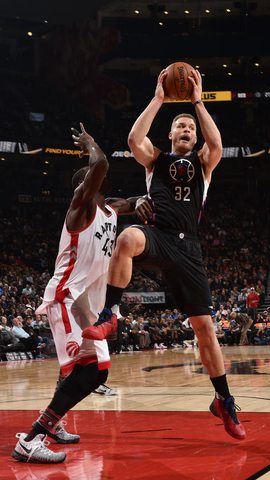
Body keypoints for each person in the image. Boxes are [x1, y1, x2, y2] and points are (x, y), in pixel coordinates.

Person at [82, 69, 246, 440]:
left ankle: (223, 400)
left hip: (189, 248)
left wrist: (198, 102)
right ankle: (110, 314)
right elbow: (133, 137)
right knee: (126, 239)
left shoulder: (204, 163)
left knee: (205, 330)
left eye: (191, 127)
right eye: (180, 126)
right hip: (158, 236)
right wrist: (159, 97)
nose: (187, 129)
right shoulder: (155, 160)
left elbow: (216, 144)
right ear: (170, 134)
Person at [11, 123, 152, 464]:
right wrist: (91, 144)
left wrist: (144, 201)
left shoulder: (107, 210)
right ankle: (30, 440)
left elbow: (129, 203)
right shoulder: (81, 207)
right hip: (67, 298)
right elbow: (100, 164)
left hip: (86, 305)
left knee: (85, 370)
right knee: (92, 372)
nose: (98, 176)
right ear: (84, 185)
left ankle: (54, 424)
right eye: (90, 176)